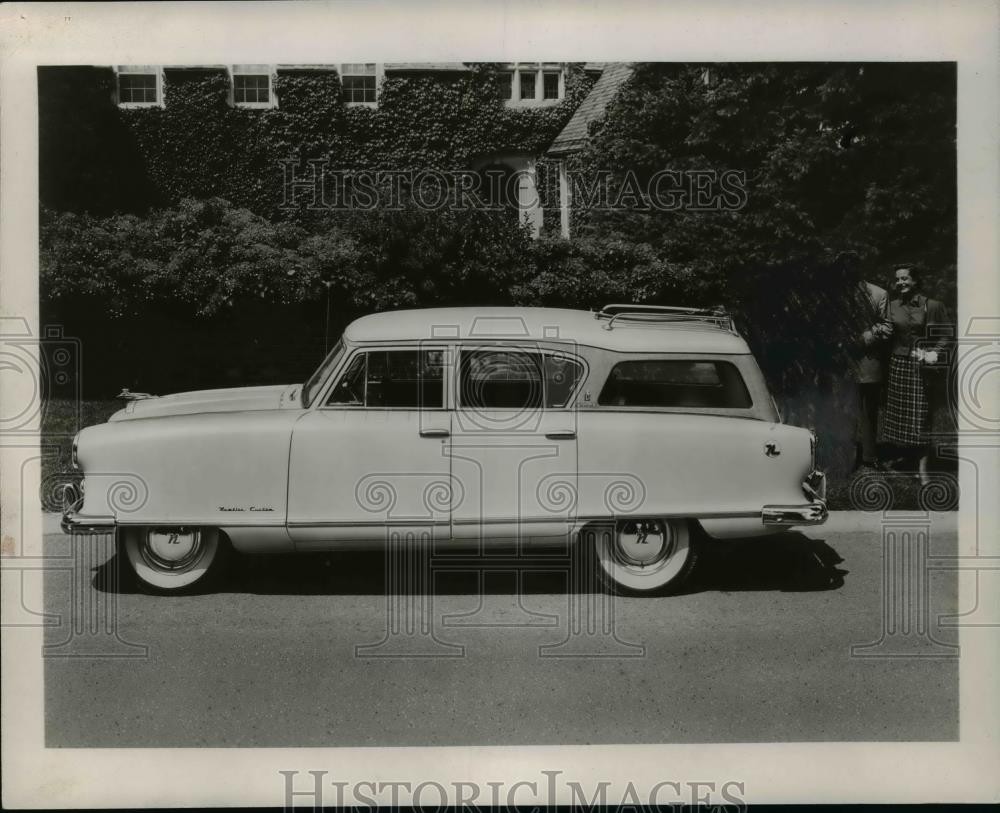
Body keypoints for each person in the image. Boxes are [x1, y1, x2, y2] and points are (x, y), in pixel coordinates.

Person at [880, 264, 951, 485]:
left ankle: (923, 469)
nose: (900, 283)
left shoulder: (933, 306)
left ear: (915, 281)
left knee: (921, 417)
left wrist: (934, 353)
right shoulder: (890, 307)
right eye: (897, 279)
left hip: (922, 367)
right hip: (898, 364)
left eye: (905, 278)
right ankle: (906, 461)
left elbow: (946, 335)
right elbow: (886, 335)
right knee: (901, 418)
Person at [849, 278, 892, 470]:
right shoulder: (831, 292)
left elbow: (887, 326)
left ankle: (869, 455)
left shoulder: (879, 293)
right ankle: (845, 456)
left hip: (868, 358)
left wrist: (868, 335)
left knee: (868, 409)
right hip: (840, 359)